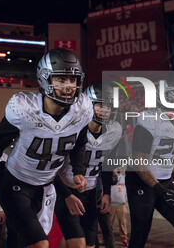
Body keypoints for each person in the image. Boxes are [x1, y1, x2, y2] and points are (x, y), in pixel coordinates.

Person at [0, 49, 93, 248]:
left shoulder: (82, 109)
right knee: (39, 244)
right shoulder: (25, 108)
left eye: (72, 80)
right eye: (61, 79)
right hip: (15, 184)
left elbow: (80, 143)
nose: (69, 86)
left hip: (46, 186)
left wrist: (79, 171)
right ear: (45, 79)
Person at [125, 79, 174, 248]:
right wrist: (160, 190)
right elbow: (138, 161)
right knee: (141, 232)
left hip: (165, 181)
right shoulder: (150, 120)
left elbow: (173, 154)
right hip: (140, 182)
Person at [55, 82, 122, 248]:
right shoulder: (73, 127)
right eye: (100, 105)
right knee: (77, 243)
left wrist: (107, 193)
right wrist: (66, 195)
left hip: (91, 194)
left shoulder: (114, 130)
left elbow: (107, 165)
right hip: (66, 190)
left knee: (90, 244)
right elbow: (52, 167)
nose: (104, 111)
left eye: (108, 107)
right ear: (89, 105)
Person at [110, 167, 128, 246]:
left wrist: (125, 200)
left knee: (123, 223)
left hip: (121, 204)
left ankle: (124, 238)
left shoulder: (124, 178)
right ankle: (107, 238)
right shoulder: (109, 178)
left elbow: (127, 190)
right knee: (109, 223)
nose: (118, 168)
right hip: (111, 204)